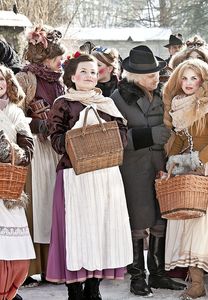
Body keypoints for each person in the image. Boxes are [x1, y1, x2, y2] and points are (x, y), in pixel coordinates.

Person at [46, 53, 132, 299]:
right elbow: (57, 139)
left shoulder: (105, 103)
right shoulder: (63, 103)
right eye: (84, 71)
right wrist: (80, 137)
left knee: (101, 228)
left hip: (105, 174)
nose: (89, 76)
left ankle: (94, 287)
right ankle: (74, 288)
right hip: (75, 174)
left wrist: (110, 140)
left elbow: (122, 132)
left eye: (94, 72)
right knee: (76, 229)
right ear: (72, 76)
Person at [110, 45, 186, 296]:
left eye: (157, 73)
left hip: (161, 165)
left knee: (160, 217)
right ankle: (138, 277)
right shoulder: (118, 98)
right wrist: (149, 135)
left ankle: (158, 274)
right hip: (134, 167)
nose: (157, 77)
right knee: (137, 220)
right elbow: (114, 137)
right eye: (152, 75)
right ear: (135, 77)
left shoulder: (163, 94)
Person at [163, 59, 208, 300]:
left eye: (194, 78)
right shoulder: (179, 106)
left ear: (203, 80)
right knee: (190, 223)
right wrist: (174, 156)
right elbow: (182, 141)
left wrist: (195, 161)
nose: (188, 83)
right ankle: (196, 284)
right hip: (190, 170)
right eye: (184, 78)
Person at [15, 25, 66, 287]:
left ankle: (51, 266)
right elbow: (13, 114)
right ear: (43, 57)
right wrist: (37, 125)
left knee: (52, 206)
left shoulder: (59, 80)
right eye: (57, 57)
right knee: (36, 206)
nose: (61, 62)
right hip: (35, 149)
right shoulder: (26, 78)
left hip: (54, 150)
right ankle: (30, 267)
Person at [0, 65, 34, 300]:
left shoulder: (15, 113)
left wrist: (15, 153)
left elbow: (27, 147)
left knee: (13, 241)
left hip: (8, 181)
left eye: (0, 79)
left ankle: (10, 288)